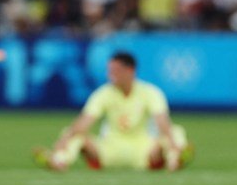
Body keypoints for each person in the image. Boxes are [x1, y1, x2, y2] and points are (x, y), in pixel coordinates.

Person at [33, 51, 193, 171]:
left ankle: (175, 160)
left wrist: (172, 144)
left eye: (115, 71)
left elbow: (162, 123)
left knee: (176, 131)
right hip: (109, 150)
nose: (111, 76)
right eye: (110, 71)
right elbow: (84, 122)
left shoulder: (150, 92)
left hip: (143, 150)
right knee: (73, 133)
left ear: (130, 70)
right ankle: (59, 160)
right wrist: (65, 140)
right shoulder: (103, 93)